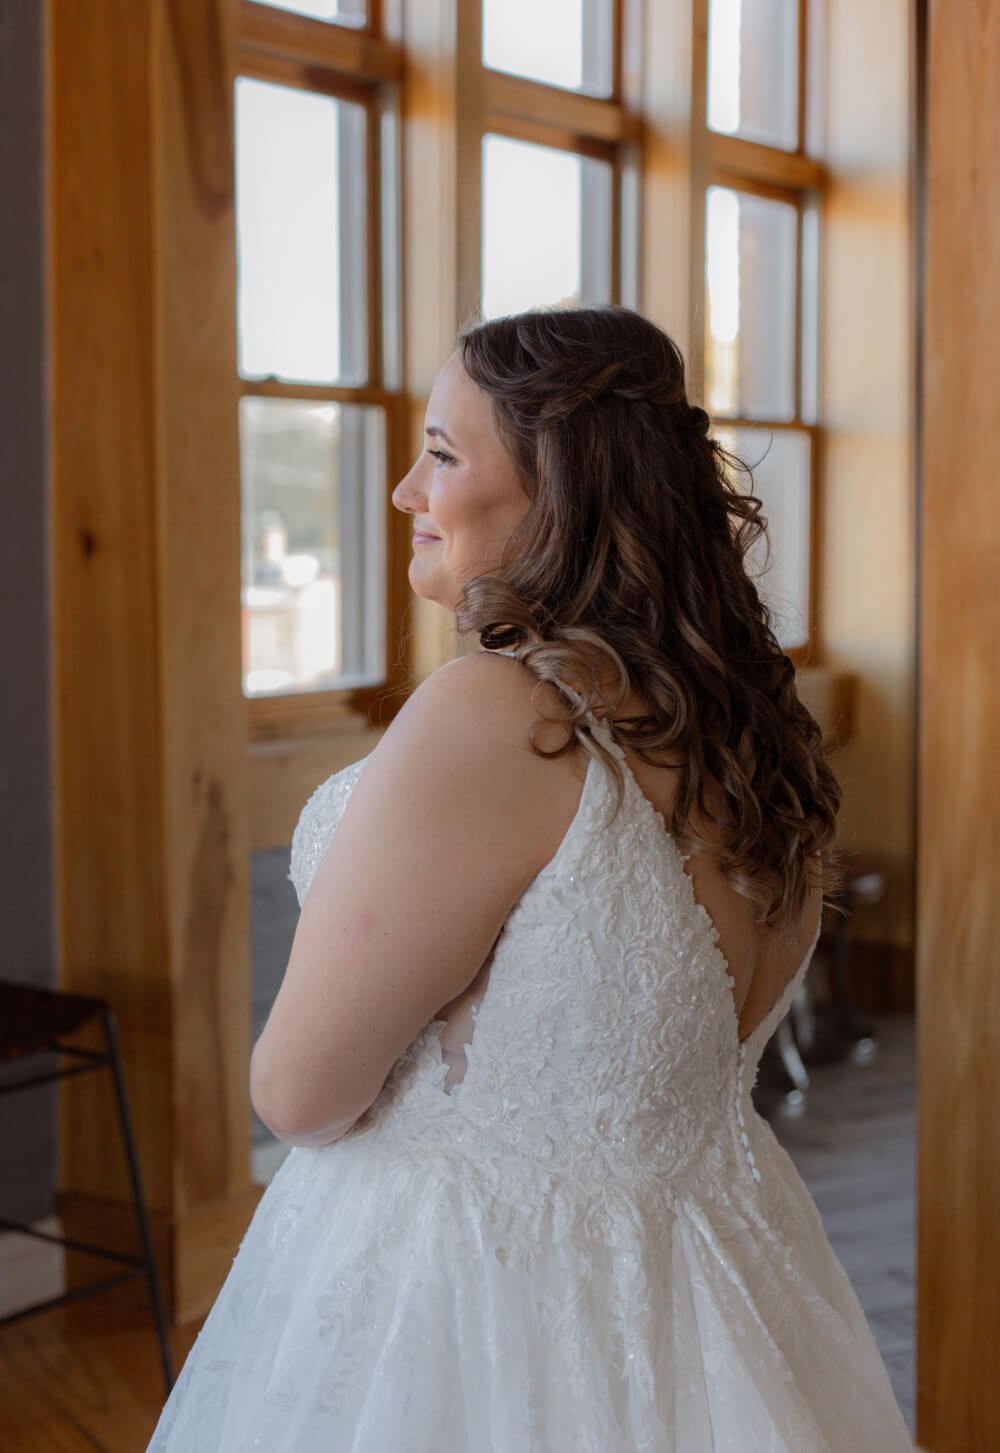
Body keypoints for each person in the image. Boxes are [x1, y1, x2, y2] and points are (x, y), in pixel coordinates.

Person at [147, 305, 913, 1451]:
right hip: (714, 1298)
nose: (408, 491)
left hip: (466, 1307)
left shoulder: (497, 716)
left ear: (560, 490)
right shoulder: (745, 729)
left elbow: (299, 1093)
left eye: (444, 456)